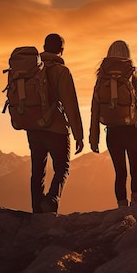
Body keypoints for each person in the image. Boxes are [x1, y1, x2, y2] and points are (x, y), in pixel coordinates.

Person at [89, 40, 137, 207]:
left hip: (112, 132)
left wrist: (93, 138)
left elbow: (95, 110)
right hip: (132, 131)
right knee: (135, 170)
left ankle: (122, 207)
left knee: (120, 172)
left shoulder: (100, 79)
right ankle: (136, 204)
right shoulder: (136, 78)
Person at [28, 33, 84, 214]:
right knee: (62, 168)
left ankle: (36, 209)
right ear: (61, 50)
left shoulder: (32, 70)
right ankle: (51, 201)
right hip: (56, 130)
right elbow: (70, 105)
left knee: (38, 169)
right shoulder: (62, 72)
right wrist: (78, 135)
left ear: (44, 47)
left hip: (34, 127)